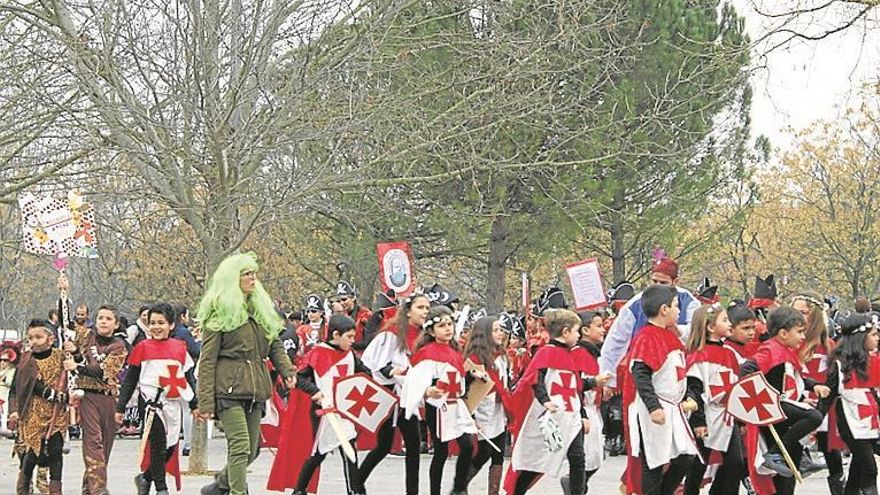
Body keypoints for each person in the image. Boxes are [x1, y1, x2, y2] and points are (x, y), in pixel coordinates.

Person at [194, 252, 297, 495]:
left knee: (253, 450)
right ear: (233, 278)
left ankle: (220, 483)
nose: (253, 278)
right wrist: (206, 401)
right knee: (239, 446)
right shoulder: (217, 314)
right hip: (228, 387)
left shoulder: (260, 309)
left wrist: (287, 369)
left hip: (256, 387)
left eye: (254, 273)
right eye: (247, 274)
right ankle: (236, 492)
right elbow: (207, 360)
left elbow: (274, 344)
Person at [739, 306, 830, 495]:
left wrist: (814, 386)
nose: (803, 337)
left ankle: (783, 453)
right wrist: (759, 398)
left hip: (785, 412)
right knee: (813, 416)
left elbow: (794, 378)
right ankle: (774, 452)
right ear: (783, 333)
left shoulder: (785, 351)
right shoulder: (770, 350)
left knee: (789, 472)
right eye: (799, 332)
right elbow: (748, 369)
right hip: (775, 407)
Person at [277, 314, 370, 495]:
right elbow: (300, 379)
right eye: (349, 337)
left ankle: (355, 491)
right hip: (323, 413)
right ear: (335, 335)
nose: (352, 341)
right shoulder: (318, 353)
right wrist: (315, 392)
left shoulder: (350, 355)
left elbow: (364, 375)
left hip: (344, 411)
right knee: (318, 454)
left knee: (349, 452)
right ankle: (299, 489)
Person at [620, 284, 698, 495]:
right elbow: (641, 374)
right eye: (675, 306)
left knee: (686, 457)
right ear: (664, 309)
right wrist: (653, 407)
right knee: (653, 462)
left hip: (673, 407)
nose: (679, 311)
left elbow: (679, 372)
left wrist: (688, 394)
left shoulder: (670, 335)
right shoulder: (647, 337)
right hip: (654, 407)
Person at [505, 309, 589, 495]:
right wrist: (545, 401)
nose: (579, 335)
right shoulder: (545, 353)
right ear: (565, 332)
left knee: (578, 459)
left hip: (571, 416)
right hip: (551, 417)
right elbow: (535, 380)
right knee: (536, 462)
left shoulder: (572, 355)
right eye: (577, 331)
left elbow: (576, 387)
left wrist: (583, 413)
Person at [116, 302, 197, 495]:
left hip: (173, 403)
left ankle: (145, 477)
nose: (156, 327)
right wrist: (120, 407)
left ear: (171, 325)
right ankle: (161, 488)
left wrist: (195, 403)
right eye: (152, 323)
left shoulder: (180, 348)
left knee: (170, 447)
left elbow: (188, 377)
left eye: (161, 322)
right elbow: (130, 380)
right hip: (151, 404)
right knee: (158, 445)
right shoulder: (142, 347)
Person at [358, 293, 429, 495]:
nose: (425, 311)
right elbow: (374, 361)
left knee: (413, 444)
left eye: (427, 307)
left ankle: (412, 492)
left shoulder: (425, 334)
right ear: (408, 311)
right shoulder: (392, 331)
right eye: (420, 307)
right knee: (384, 446)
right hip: (389, 394)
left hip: (408, 395)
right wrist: (391, 371)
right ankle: (357, 482)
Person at [400, 305, 476, 495]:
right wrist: (427, 390)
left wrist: (473, 374)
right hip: (438, 408)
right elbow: (415, 380)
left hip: (455, 406)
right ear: (432, 331)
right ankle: (436, 492)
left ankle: (458, 488)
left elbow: (457, 379)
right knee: (441, 452)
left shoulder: (455, 351)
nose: (448, 328)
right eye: (442, 326)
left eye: (450, 324)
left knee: (467, 446)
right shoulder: (427, 353)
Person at [599, 256, 701, 389]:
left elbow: (696, 333)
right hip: (645, 371)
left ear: (675, 282)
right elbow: (615, 342)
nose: (657, 286)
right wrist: (609, 379)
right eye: (654, 281)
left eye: (663, 282)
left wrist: (679, 331)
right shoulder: (634, 305)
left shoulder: (689, 302)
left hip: (678, 371)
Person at [63, 304, 128, 495]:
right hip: (88, 396)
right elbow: (66, 321)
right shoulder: (86, 335)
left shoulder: (119, 346)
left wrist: (77, 364)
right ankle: (99, 489)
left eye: (108, 319)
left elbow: (102, 371)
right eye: (100, 318)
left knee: (105, 447)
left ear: (115, 324)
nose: (103, 322)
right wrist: (64, 292)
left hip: (108, 398)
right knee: (94, 442)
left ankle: (88, 488)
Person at [683, 303, 745, 495]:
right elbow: (695, 389)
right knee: (698, 467)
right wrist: (699, 420)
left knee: (736, 463)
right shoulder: (699, 355)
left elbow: (738, 386)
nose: (730, 324)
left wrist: (740, 418)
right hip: (707, 416)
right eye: (725, 320)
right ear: (710, 327)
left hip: (727, 417)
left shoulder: (730, 353)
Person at [820, 313, 880, 495]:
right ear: (860, 336)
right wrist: (811, 422)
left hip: (871, 425)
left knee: (857, 472)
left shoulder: (873, 362)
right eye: (874, 333)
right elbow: (826, 399)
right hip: (852, 425)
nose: (878, 337)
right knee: (870, 469)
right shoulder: (839, 366)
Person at [8, 320, 68, 495]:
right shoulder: (26, 360)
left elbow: (73, 375)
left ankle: (56, 491)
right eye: (31, 338)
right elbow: (15, 389)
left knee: (56, 454)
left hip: (56, 415)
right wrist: (13, 411)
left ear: (50, 339)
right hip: (32, 414)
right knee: (31, 455)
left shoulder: (61, 356)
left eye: (38, 337)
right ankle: (23, 489)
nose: (34, 341)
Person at [562, 311, 611, 495]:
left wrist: (602, 390)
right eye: (598, 325)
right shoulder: (578, 353)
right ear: (585, 330)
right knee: (585, 458)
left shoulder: (593, 354)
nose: (603, 329)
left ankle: (577, 485)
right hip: (583, 410)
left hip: (594, 409)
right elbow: (575, 384)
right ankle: (576, 488)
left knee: (596, 458)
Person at [463, 315, 511, 495]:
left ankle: (493, 492)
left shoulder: (502, 356)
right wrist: (471, 416)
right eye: (496, 330)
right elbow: (467, 388)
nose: (501, 333)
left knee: (498, 453)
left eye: (501, 329)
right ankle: (461, 485)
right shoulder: (475, 357)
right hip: (482, 408)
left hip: (499, 409)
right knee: (484, 452)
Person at [334, 281, 373, 351]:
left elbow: (369, 342)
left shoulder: (366, 315)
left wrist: (349, 344)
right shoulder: (340, 316)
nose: (341, 303)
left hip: (363, 355)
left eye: (344, 299)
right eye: (339, 301)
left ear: (353, 298)